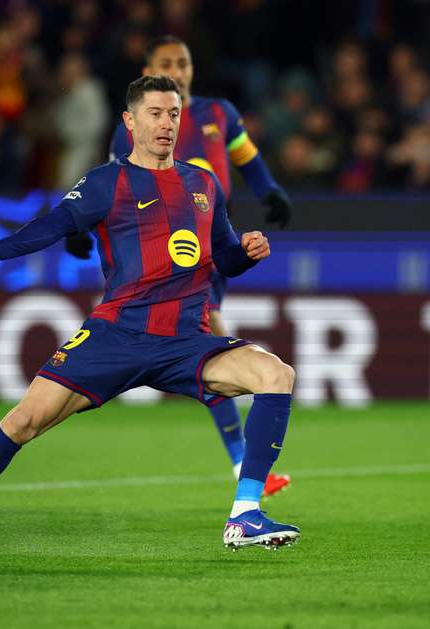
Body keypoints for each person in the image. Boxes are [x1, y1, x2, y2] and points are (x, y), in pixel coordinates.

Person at [0, 75, 299, 561]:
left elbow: (224, 258)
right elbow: (53, 225)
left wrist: (247, 254)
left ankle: (244, 514)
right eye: (155, 113)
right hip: (117, 335)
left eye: (173, 114)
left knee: (276, 373)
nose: (167, 123)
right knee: (23, 422)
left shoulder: (203, 184)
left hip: (186, 339)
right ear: (130, 122)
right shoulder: (108, 182)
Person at [101, 34, 293, 497]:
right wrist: (78, 234)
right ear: (147, 67)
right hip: (164, 250)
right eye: (167, 62)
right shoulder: (131, 127)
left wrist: (269, 190)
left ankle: (243, 466)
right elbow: (110, 193)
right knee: (210, 343)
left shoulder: (219, 114)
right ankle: (244, 471)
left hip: (214, 239)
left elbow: (248, 158)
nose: (178, 69)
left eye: (183, 62)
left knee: (210, 343)